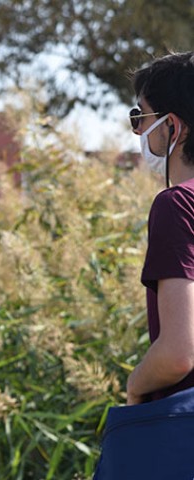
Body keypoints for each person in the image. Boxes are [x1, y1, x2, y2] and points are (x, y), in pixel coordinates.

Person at [126, 51, 194, 405]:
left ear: (172, 126)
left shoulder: (177, 205)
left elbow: (178, 354)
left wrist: (135, 385)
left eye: (139, 116)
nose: (137, 129)